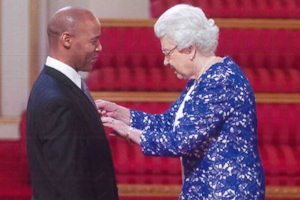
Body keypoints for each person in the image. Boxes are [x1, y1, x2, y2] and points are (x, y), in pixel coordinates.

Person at [96, 4, 265, 200]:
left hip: (227, 191)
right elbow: (170, 123)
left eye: (168, 53)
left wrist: (129, 132)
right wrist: (123, 115)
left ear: (190, 49)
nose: (166, 61)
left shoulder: (220, 80)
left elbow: (181, 141)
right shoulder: (200, 79)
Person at [26, 7, 118, 200]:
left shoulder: (61, 84)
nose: (100, 47)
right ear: (66, 40)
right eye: (94, 41)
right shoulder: (56, 100)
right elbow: (69, 185)